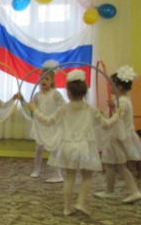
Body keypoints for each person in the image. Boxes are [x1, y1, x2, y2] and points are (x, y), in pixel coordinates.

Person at [27, 70, 124, 216]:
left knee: (69, 177)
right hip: (85, 148)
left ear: (68, 93)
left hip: (67, 147)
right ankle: (80, 202)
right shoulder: (90, 109)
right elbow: (106, 125)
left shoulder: (64, 109)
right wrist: (117, 114)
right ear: (84, 92)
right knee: (87, 177)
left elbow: (47, 121)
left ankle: (67, 208)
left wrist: (34, 110)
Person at [94, 66, 141, 203]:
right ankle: (109, 191)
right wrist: (104, 113)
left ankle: (134, 191)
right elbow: (113, 116)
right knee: (109, 163)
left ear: (119, 87)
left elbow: (117, 118)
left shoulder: (121, 102)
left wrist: (113, 108)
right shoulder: (123, 100)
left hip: (117, 137)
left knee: (120, 165)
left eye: (112, 85)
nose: (110, 87)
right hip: (116, 136)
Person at [29, 61, 66, 182]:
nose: (44, 81)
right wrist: (23, 100)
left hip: (52, 125)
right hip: (41, 125)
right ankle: (36, 170)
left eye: (47, 79)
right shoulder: (37, 95)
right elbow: (31, 108)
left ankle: (57, 173)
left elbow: (64, 107)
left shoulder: (56, 94)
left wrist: (56, 117)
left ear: (52, 81)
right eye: (42, 78)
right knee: (39, 148)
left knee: (55, 149)